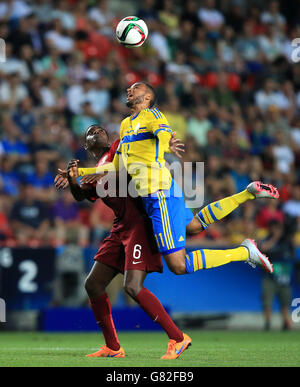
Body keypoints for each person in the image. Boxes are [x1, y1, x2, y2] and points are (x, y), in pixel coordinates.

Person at [79, 82, 279, 277]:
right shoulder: (125, 125)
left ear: (148, 97)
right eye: (129, 88)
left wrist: (167, 144)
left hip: (160, 197)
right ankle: (247, 193)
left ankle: (244, 252)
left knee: (179, 265)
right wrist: (79, 172)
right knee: (194, 226)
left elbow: (164, 133)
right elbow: (116, 166)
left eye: (136, 87)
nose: (129, 89)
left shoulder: (152, 114)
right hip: (162, 192)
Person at [55, 124, 192, 360]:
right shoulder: (92, 170)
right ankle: (113, 347)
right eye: (91, 131)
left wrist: (163, 146)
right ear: (87, 145)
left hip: (141, 224)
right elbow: (82, 196)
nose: (97, 131)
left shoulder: (119, 147)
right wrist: (73, 179)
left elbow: (144, 148)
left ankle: (178, 337)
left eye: (100, 129)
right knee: (93, 285)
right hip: (120, 228)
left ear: (107, 137)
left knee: (132, 287)